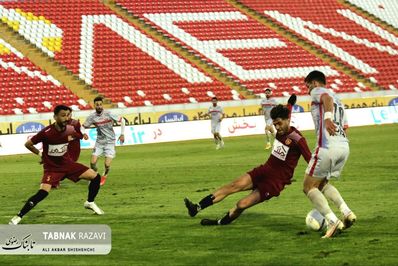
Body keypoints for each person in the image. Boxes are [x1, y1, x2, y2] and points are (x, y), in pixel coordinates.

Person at [184, 101, 311, 226]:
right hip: (264, 170)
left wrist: (317, 181)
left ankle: (220, 222)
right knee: (232, 185)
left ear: (288, 119)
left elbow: (310, 160)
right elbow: (287, 110)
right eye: (275, 124)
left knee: (241, 204)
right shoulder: (282, 128)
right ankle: (197, 207)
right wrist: (290, 103)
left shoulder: (298, 140)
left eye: (279, 123)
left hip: (274, 182)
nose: (277, 127)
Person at [9, 105, 104, 225]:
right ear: (55, 117)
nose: (66, 118)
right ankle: (19, 216)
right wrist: (41, 155)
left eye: (68, 115)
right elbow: (28, 144)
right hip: (52, 168)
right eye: (63, 115)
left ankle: (90, 202)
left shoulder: (70, 129)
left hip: (68, 164)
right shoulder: (46, 133)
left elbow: (73, 137)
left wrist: (82, 135)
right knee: (43, 193)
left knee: (96, 177)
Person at [303, 70, 356, 238]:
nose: (307, 90)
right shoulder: (339, 100)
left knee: (308, 187)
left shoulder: (319, 92)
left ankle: (332, 221)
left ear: (314, 83)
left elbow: (326, 99)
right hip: (343, 146)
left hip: (327, 146)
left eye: (307, 86)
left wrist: (326, 118)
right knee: (321, 184)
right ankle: (346, 212)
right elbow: (345, 126)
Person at [82, 96, 125, 186]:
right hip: (99, 142)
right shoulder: (92, 117)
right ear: (94, 106)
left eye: (100, 104)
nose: (99, 106)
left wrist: (122, 134)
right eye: (97, 105)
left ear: (102, 105)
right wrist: (83, 133)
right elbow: (83, 126)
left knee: (107, 164)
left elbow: (123, 120)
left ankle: (105, 174)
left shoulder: (109, 113)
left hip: (110, 142)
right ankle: (94, 175)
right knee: (93, 162)